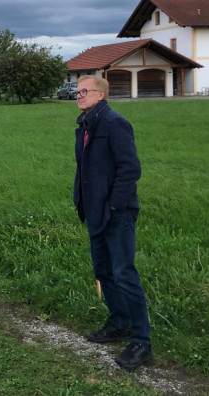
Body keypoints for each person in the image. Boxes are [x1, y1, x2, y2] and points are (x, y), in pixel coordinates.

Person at [72, 75, 152, 370]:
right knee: (104, 270)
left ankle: (142, 342)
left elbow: (130, 168)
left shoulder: (114, 123)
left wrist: (115, 204)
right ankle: (119, 323)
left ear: (101, 95)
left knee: (123, 272)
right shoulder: (86, 124)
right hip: (94, 211)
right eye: (76, 90)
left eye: (84, 91)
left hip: (117, 213)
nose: (78, 95)